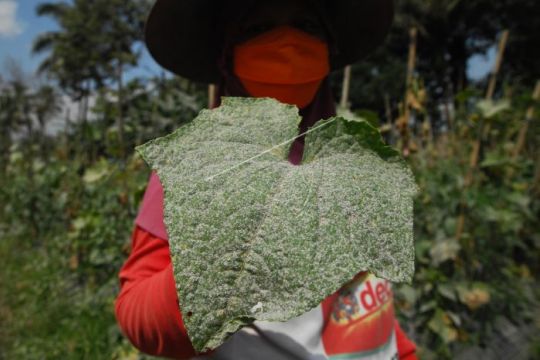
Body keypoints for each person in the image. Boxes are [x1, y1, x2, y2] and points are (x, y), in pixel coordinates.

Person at [115, 0, 418, 359]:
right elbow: (136, 313)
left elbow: (369, 294)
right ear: (228, 56)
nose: (287, 42)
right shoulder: (195, 163)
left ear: (329, 49)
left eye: (306, 24)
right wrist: (217, 267)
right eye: (257, 29)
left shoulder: (357, 159)